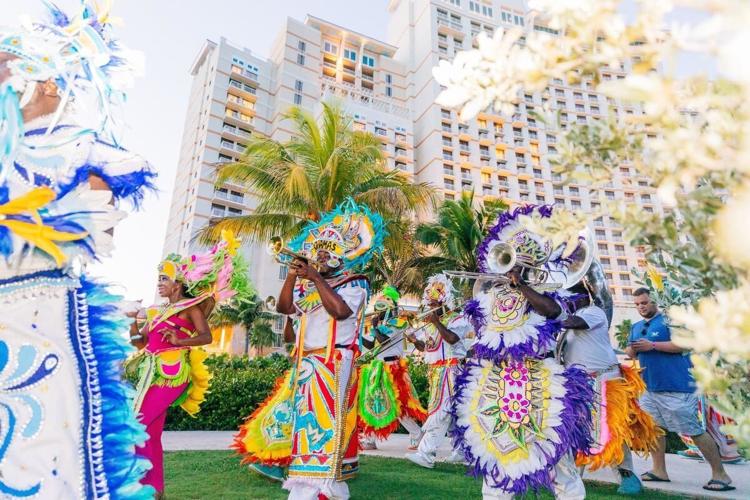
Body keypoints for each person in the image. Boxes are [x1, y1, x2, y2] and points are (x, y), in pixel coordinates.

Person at [0, 3, 156, 498]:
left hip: (41, 318)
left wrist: (29, 220)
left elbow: (93, 228)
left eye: (11, 62)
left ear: (47, 79)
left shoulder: (83, 146)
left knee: (40, 452)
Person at [233, 199, 385, 500]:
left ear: (342, 256)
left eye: (329, 251)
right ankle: (304, 485)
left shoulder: (355, 283)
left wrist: (315, 277)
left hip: (335, 359)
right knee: (307, 425)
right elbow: (285, 307)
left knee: (328, 423)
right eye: (319, 251)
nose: (322, 256)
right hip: (309, 362)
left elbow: (340, 312)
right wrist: (291, 275)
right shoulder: (310, 287)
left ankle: (329, 487)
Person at [453, 204, 594, 499]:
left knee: (557, 460)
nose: (512, 269)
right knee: (496, 454)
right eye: (510, 263)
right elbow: (484, 333)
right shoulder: (491, 295)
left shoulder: (549, 291)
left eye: (519, 266)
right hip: (497, 383)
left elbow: (555, 312)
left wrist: (523, 287)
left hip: (539, 381)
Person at [128, 233, 247, 498]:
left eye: (164, 279)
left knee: (138, 423)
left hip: (172, 374)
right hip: (150, 373)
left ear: (178, 284)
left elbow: (207, 336)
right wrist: (132, 321)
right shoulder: (156, 312)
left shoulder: (190, 308)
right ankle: (155, 490)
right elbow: (140, 343)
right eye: (158, 279)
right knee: (151, 431)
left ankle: (138, 483)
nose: (160, 284)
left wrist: (180, 338)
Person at [627, 288, 735, 493]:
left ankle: (720, 474)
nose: (642, 306)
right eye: (638, 304)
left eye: (645, 302)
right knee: (654, 430)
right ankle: (659, 471)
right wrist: (632, 349)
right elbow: (630, 353)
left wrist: (653, 345)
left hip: (677, 388)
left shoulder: (671, 321)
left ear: (655, 301)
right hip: (649, 388)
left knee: (693, 430)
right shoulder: (636, 326)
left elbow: (683, 344)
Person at [560, 282, 660, 496]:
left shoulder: (594, 312)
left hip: (605, 381)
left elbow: (575, 322)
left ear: (582, 297)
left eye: (569, 297)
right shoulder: (567, 325)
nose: (566, 301)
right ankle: (573, 478)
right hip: (577, 385)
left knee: (613, 431)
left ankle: (626, 475)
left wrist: (551, 314)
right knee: (576, 432)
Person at [405, 273, 472, 469]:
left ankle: (425, 453)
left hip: (451, 370)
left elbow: (452, 339)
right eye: (429, 302)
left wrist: (436, 322)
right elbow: (427, 349)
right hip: (435, 372)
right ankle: (462, 450)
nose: (430, 306)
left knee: (440, 413)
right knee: (454, 414)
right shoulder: (431, 324)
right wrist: (415, 341)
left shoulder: (456, 319)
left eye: (434, 302)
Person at [359, 285, 426, 450]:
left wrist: (374, 327)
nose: (377, 312)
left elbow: (384, 341)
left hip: (393, 368)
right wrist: (359, 331)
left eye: (381, 309)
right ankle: (370, 439)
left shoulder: (398, 323)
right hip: (378, 367)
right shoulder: (380, 325)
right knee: (373, 401)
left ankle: (417, 435)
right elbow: (371, 344)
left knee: (397, 405)